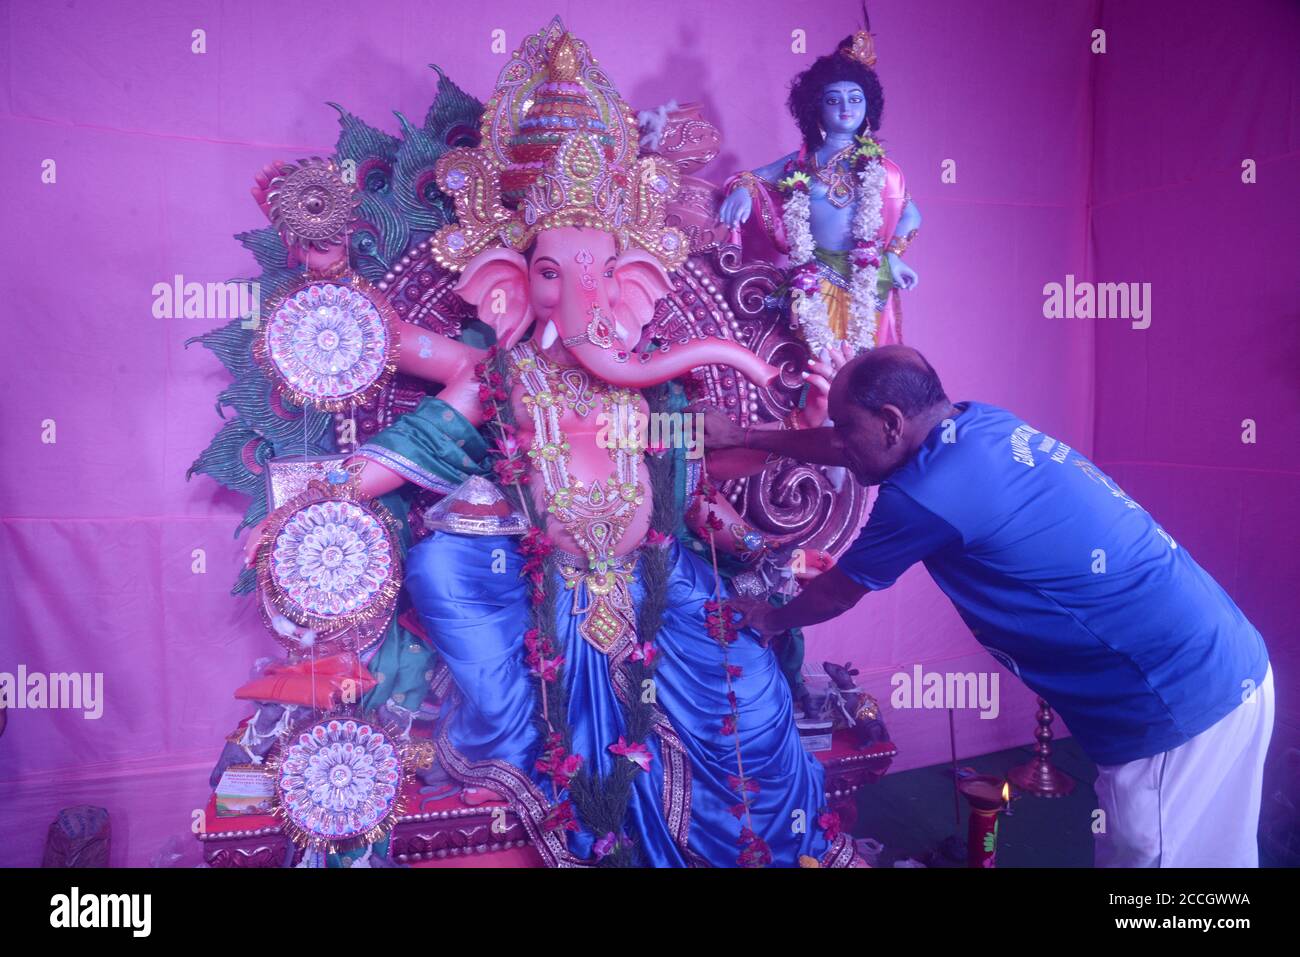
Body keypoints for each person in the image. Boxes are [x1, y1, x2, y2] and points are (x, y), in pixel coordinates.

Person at [706, 345, 1274, 867]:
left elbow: (837, 591)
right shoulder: (979, 424)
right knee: (1219, 860)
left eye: (848, 425)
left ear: (891, 422)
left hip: (1174, 702)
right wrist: (743, 435)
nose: (840, 440)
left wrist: (768, 618)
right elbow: (845, 447)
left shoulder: (924, 497)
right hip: (1231, 660)